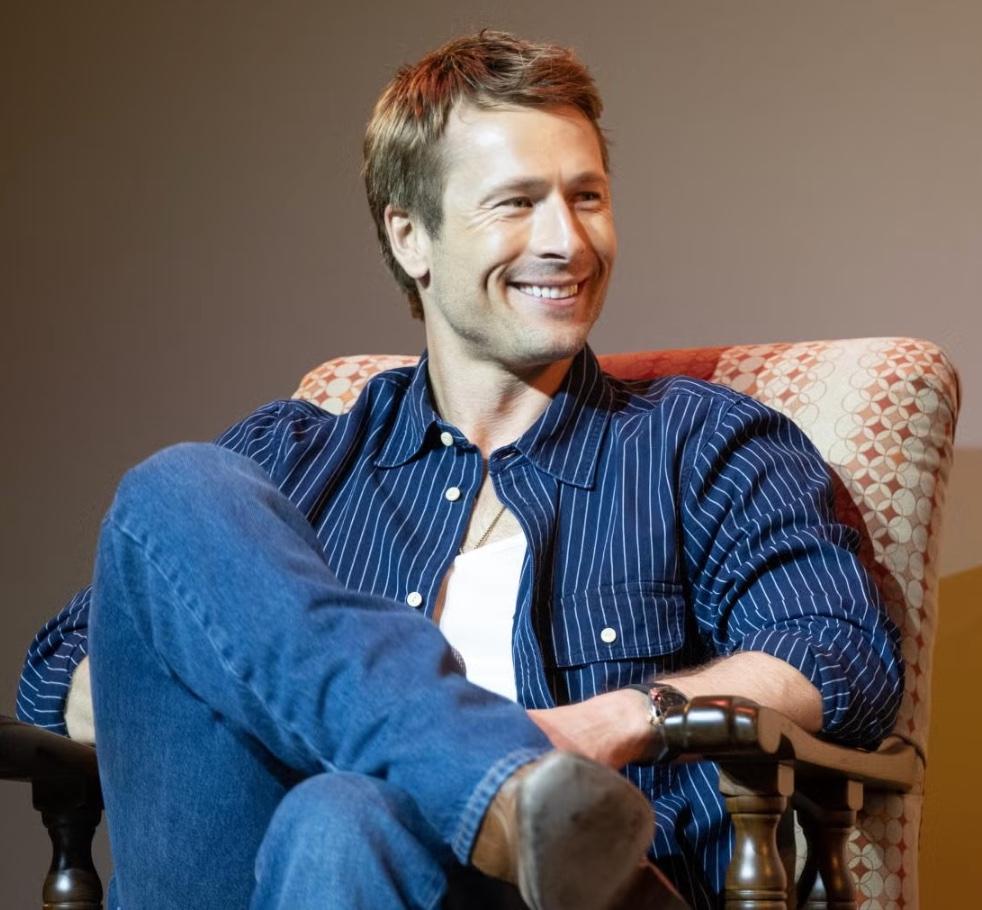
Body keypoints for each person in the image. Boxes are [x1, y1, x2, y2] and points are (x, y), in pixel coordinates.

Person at [16, 30, 902, 910]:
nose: (567, 240)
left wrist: (614, 720)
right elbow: (64, 666)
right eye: (516, 203)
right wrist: (267, 701)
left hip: (583, 893)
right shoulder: (292, 459)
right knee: (177, 486)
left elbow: (835, 649)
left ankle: (489, 800)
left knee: (346, 813)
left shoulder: (700, 444)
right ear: (412, 237)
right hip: (245, 879)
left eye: (586, 195)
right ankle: (492, 783)